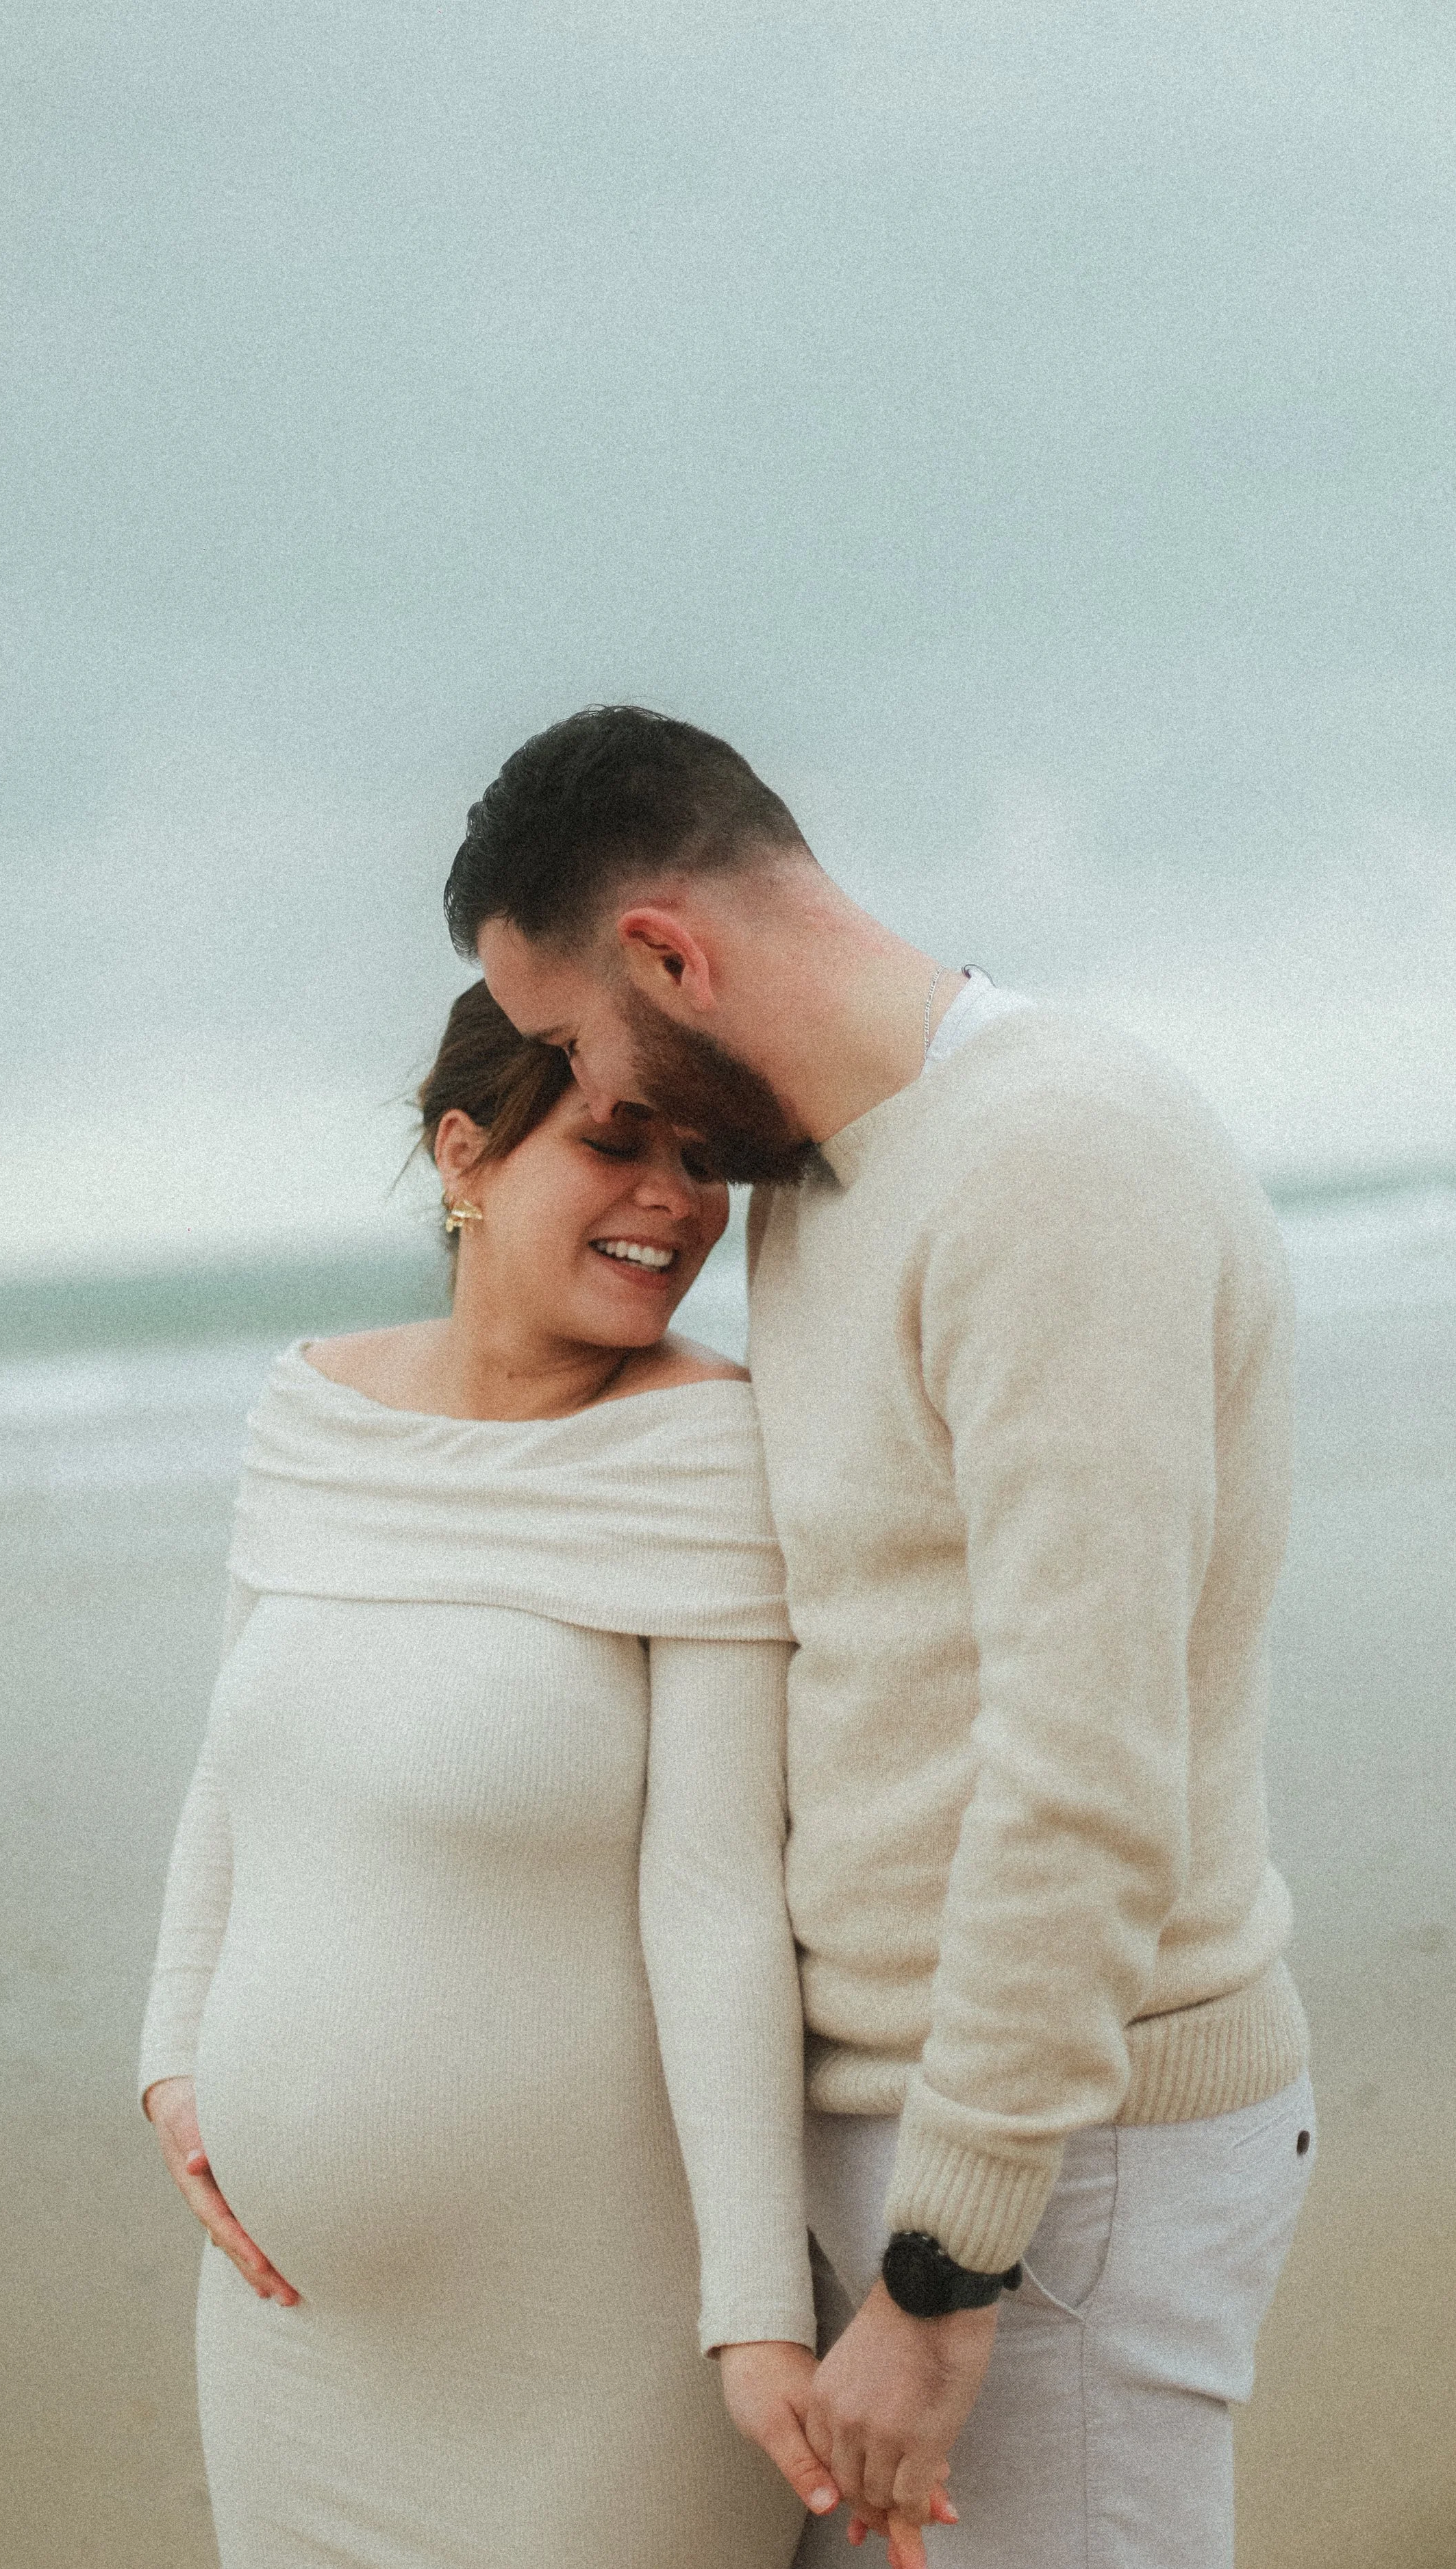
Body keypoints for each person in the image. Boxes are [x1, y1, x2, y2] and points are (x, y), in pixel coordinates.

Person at [456, 706, 1318, 2569]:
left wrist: (941, 2269)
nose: (589, 1099)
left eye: (566, 1041)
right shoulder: (832, 1177)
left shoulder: (1051, 1162)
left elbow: (1082, 1767)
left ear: (670, 954)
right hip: (939, 2148)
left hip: (1053, 2169)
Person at [139, 983, 932, 2569]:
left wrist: (755, 2319)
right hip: (293, 2330)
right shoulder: (308, 1412)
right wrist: (169, 2058)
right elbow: (233, 1778)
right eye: (614, 1143)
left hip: (591, 2348)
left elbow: (715, 1909)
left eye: (703, 1159)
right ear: (466, 1157)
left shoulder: (700, 1447)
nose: (675, 1202)